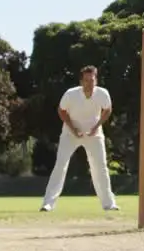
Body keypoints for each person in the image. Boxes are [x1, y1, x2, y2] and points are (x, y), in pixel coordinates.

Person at [40, 66, 119, 212]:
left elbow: (108, 109)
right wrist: (72, 128)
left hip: (94, 134)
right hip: (70, 134)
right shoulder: (71, 94)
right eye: (86, 80)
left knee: (100, 167)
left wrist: (97, 126)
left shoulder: (102, 94)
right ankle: (48, 203)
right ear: (81, 81)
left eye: (92, 80)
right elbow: (61, 110)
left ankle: (109, 203)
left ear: (96, 80)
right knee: (60, 165)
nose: (89, 83)